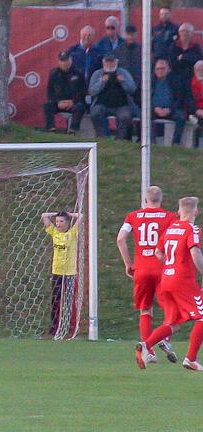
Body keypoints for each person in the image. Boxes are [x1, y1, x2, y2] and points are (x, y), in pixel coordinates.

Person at [136, 197, 203, 371]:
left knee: (173, 323)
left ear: (179, 211)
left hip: (166, 279)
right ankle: (190, 359)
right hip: (183, 281)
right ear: (196, 212)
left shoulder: (171, 228)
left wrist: (170, 266)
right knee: (202, 317)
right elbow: (195, 252)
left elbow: (158, 252)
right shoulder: (192, 228)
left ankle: (146, 345)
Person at [117, 186, 178, 364]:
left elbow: (120, 239)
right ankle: (164, 339)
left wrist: (128, 263)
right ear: (161, 199)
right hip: (162, 269)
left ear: (145, 200)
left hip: (141, 270)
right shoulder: (170, 217)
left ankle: (149, 352)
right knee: (171, 310)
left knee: (145, 310)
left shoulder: (133, 216)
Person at [41, 211, 80, 338]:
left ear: (68, 222)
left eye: (62, 221)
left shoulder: (72, 233)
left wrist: (70, 214)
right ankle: (54, 328)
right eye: (57, 221)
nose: (58, 224)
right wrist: (56, 214)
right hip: (57, 272)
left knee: (69, 301)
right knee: (56, 301)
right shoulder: (54, 232)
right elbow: (44, 216)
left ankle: (70, 328)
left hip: (70, 273)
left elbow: (82, 217)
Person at [89, 53, 136, 140]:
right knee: (95, 113)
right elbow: (91, 91)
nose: (109, 64)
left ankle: (120, 140)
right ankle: (103, 138)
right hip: (102, 104)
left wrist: (123, 81)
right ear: (103, 63)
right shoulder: (97, 73)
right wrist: (102, 82)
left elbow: (132, 89)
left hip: (121, 105)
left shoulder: (123, 73)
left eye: (112, 62)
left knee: (125, 116)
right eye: (107, 62)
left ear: (116, 63)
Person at [43, 50, 85, 133]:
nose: (64, 63)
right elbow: (50, 91)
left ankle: (73, 130)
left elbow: (83, 91)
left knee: (80, 107)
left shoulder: (78, 73)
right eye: (62, 61)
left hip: (73, 103)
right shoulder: (53, 73)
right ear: (59, 62)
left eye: (66, 60)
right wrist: (58, 102)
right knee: (48, 105)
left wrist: (73, 101)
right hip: (59, 103)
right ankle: (51, 129)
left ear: (71, 60)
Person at [150, 58, 188, 145]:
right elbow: (142, 99)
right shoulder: (150, 81)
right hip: (155, 110)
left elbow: (180, 97)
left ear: (169, 69)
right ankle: (151, 141)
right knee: (144, 114)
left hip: (171, 110)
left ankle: (175, 142)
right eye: (158, 69)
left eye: (163, 68)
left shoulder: (176, 80)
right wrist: (154, 108)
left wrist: (170, 109)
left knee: (181, 116)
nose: (160, 71)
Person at [113, 25, 141, 105]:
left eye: (132, 35)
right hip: (123, 86)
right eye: (128, 34)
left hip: (139, 87)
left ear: (136, 35)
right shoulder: (118, 51)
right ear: (125, 35)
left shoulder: (141, 50)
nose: (130, 37)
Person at [170, 23, 202, 89]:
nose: (184, 33)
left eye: (187, 31)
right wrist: (191, 59)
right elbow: (172, 62)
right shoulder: (174, 46)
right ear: (179, 33)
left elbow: (200, 59)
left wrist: (183, 57)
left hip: (192, 78)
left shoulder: (196, 47)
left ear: (192, 34)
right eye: (182, 31)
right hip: (177, 78)